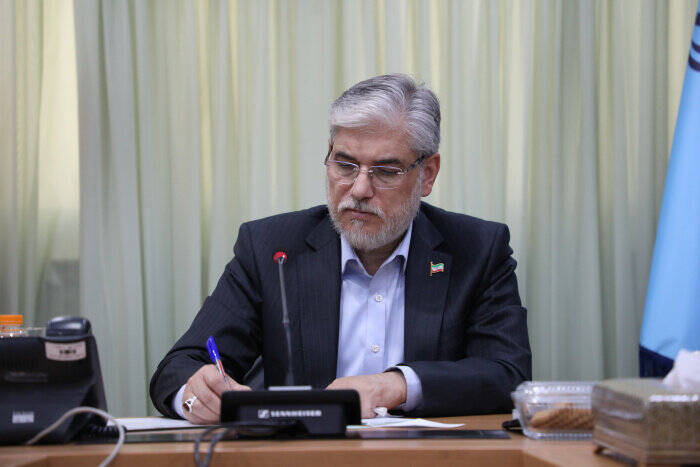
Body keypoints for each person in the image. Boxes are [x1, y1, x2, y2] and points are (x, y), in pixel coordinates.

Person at [150, 74, 531, 424]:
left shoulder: (477, 249)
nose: (359, 190)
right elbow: (182, 365)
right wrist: (195, 395)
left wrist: (395, 385)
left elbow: (506, 374)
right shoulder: (271, 248)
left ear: (427, 174)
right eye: (345, 165)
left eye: (386, 171)